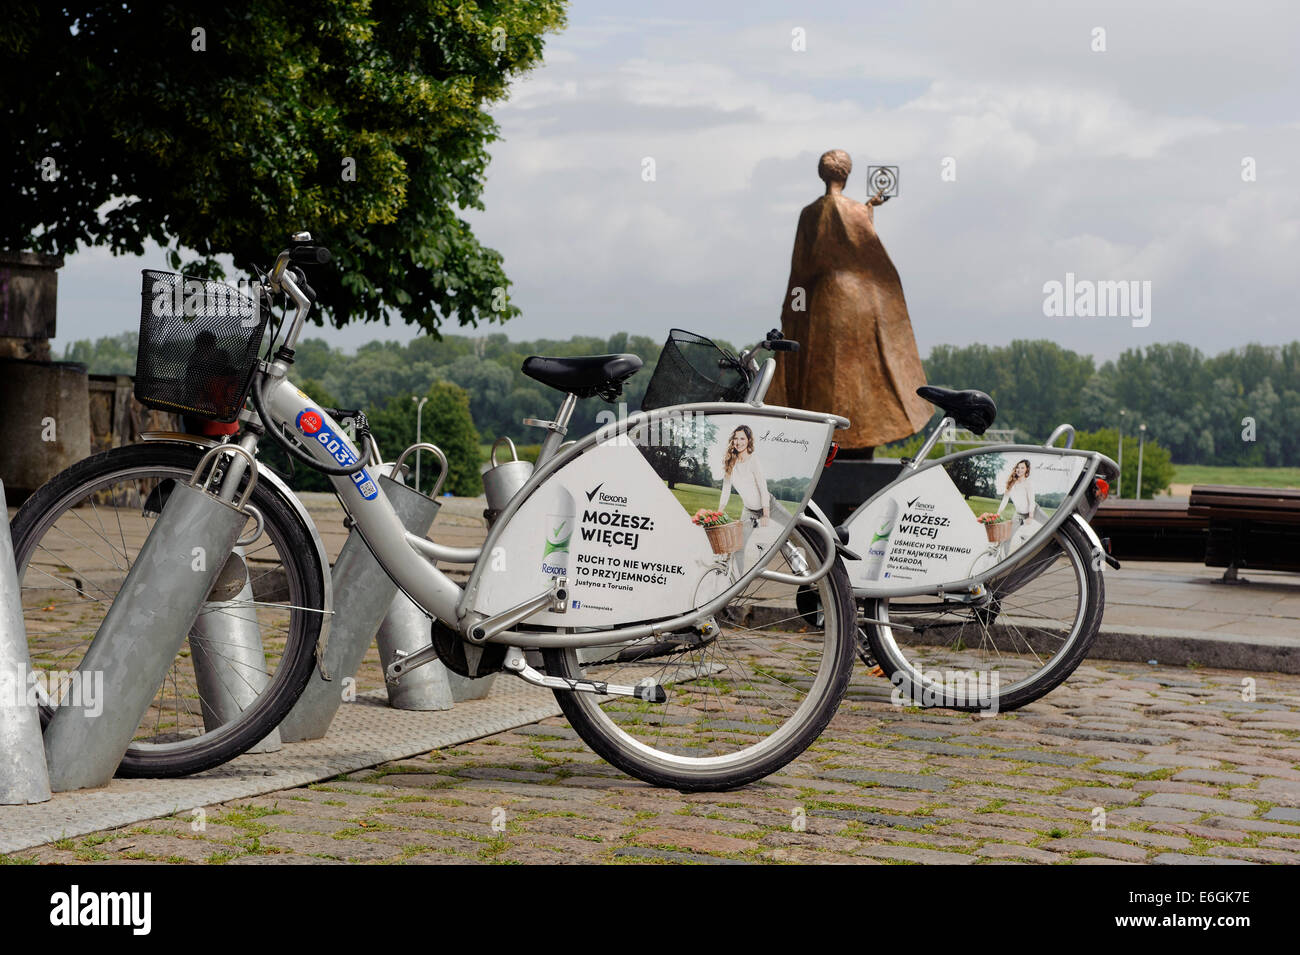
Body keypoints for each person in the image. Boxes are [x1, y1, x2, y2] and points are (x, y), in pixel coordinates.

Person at [766, 149, 931, 456]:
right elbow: (863, 249)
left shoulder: (809, 213)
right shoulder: (854, 210)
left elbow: (801, 267)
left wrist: (793, 309)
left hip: (820, 301)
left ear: (821, 173)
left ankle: (828, 441)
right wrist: (867, 211)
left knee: (825, 373)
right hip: (857, 301)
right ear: (847, 174)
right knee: (857, 374)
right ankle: (855, 437)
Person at [718, 425, 769, 573]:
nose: (738, 442)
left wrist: (766, 513)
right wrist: (720, 510)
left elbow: (762, 487)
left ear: (748, 441)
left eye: (742, 438)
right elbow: (726, 489)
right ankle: (738, 582)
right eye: (735, 438)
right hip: (749, 509)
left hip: (767, 505)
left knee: (790, 533)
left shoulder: (753, 460)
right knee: (738, 547)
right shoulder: (731, 462)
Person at [996, 459, 1036, 535]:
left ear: (1027, 470)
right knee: (1008, 535)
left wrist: (1030, 517)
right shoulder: (1011, 483)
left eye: (1022, 468)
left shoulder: (1028, 483)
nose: (1019, 470)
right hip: (1019, 513)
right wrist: (998, 513)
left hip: (1033, 510)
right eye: (1018, 467)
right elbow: (1005, 500)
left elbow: (1032, 501)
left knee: (1049, 523)